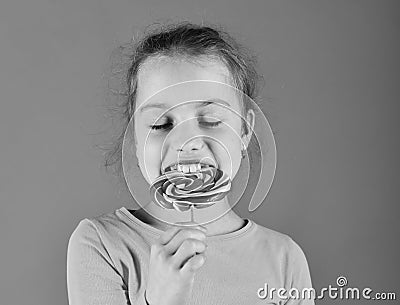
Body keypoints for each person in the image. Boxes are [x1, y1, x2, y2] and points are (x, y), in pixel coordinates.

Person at [67, 22, 314, 305]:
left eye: (210, 121)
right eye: (161, 124)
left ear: (245, 131)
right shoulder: (102, 244)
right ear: (135, 141)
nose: (186, 142)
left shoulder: (284, 259)